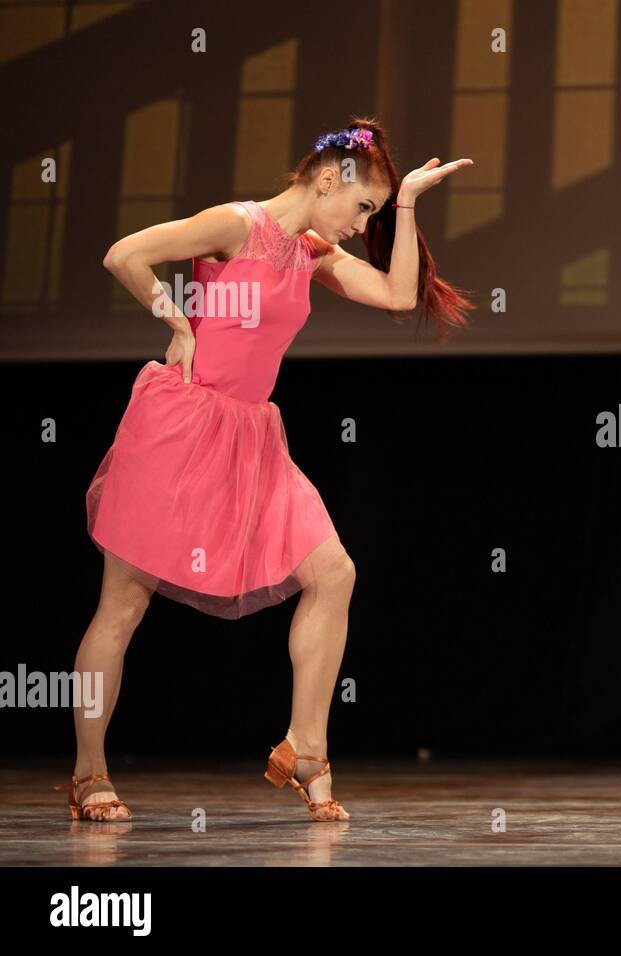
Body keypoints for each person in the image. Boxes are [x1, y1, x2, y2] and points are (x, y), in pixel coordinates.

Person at [57, 116, 474, 823]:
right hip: (179, 426)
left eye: (374, 212)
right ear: (324, 179)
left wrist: (406, 204)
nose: (359, 222)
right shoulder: (236, 225)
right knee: (123, 605)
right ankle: (88, 773)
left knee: (334, 572)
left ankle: (307, 748)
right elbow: (123, 253)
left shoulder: (310, 251)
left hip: (252, 438)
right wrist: (176, 320)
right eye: (364, 205)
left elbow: (401, 295)